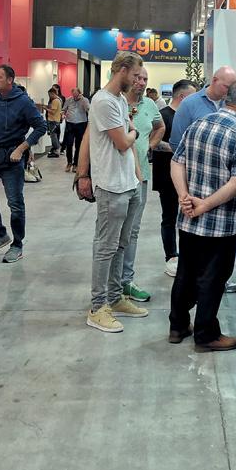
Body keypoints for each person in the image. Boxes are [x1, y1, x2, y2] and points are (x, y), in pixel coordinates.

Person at [168, 80, 236, 351]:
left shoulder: (199, 124)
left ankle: (178, 326)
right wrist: (205, 205)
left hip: (189, 218)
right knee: (213, 278)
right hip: (220, 223)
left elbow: (176, 162)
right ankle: (206, 335)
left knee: (185, 272)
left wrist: (184, 197)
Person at [82, 51, 149, 333]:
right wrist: (134, 133)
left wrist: (137, 174)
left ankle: (115, 296)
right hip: (110, 186)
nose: (137, 81)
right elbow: (123, 141)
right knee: (106, 247)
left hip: (128, 183)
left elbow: (128, 137)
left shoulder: (120, 100)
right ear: (121, 70)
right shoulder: (103, 102)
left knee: (121, 244)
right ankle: (98, 307)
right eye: (135, 75)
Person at [0, 64, 47, 264]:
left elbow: (40, 126)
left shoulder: (24, 102)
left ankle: (17, 244)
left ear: (10, 80)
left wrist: (22, 148)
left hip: (12, 157)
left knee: (15, 203)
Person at [121, 64, 165, 303]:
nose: (141, 82)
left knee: (133, 230)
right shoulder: (115, 102)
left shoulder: (149, 105)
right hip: (116, 177)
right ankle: (110, 284)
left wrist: (150, 145)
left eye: (145, 79)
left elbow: (160, 126)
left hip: (142, 177)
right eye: (138, 77)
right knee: (113, 232)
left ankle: (126, 281)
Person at [152, 79, 198, 277]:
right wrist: (178, 149)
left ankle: (190, 257)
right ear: (183, 96)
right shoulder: (162, 116)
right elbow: (153, 143)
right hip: (166, 175)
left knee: (190, 214)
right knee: (169, 217)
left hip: (190, 176)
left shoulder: (191, 117)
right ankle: (171, 257)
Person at [169, 66, 236, 150]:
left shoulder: (233, 105)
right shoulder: (189, 104)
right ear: (214, 80)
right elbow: (176, 143)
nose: (229, 91)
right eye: (227, 87)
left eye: (232, 89)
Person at [62, 88, 89, 173]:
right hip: (70, 123)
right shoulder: (69, 100)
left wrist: (82, 99)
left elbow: (88, 109)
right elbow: (64, 109)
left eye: (76, 95)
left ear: (80, 94)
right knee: (69, 144)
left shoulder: (84, 100)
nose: (75, 97)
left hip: (81, 123)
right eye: (73, 95)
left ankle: (75, 164)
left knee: (78, 145)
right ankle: (69, 162)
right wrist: (63, 114)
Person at [43, 87, 63, 158]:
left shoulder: (55, 101)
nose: (49, 96)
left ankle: (57, 150)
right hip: (57, 120)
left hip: (53, 120)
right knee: (55, 136)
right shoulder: (59, 100)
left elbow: (53, 111)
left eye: (50, 95)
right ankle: (56, 150)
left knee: (53, 136)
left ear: (52, 93)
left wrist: (46, 109)